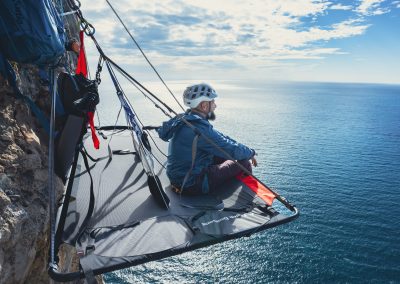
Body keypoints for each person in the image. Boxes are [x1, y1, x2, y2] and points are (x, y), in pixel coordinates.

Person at [157, 83, 257, 195]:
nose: (215, 105)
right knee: (244, 162)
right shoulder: (200, 129)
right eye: (213, 102)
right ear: (204, 105)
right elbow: (231, 150)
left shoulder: (185, 119)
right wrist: (251, 153)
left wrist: (245, 149)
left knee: (230, 155)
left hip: (178, 177)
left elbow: (221, 138)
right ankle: (249, 200)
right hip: (192, 184)